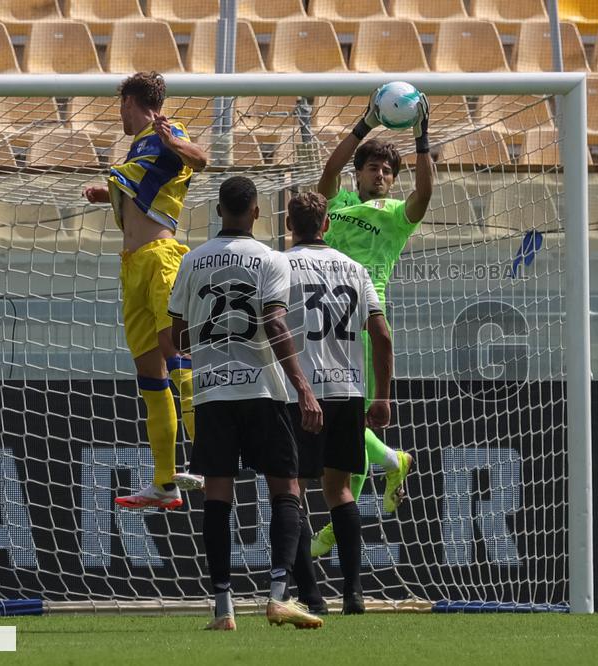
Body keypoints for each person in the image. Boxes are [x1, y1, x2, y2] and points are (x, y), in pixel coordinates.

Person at [167, 176, 324, 631]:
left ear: (219, 210)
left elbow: (173, 335)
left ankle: (223, 609)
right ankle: (278, 596)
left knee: (217, 496)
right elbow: (274, 322)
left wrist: (204, 355)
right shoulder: (272, 259)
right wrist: (303, 388)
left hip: (213, 393)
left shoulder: (191, 260)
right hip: (264, 391)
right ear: (257, 212)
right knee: (286, 489)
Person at [308, 89, 432, 557]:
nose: (380, 175)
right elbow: (327, 172)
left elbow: (425, 194)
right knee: (340, 419)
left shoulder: (397, 216)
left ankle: (337, 526)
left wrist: (420, 138)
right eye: (373, 168)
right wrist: (365, 123)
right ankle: (391, 460)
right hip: (323, 317)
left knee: (342, 417)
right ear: (359, 174)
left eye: (387, 171)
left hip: (363, 317)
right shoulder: (336, 203)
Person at [82, 71, 208, 510]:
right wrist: (109, 196)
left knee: (179, 364)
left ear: (132, 101)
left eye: (121, 105)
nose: (119, 113)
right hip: (132, 266)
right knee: (151, 380)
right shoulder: (140, 148)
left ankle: (210, 463)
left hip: (161, 261)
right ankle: (164, 483)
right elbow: (149, 190)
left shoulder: (166, 130)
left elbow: (201, 159)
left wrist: (174, 141)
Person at [282, 192, 394, 615]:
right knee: (340, 490)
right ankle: (353, 592)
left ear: (291, 225)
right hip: (347, 391)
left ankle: (311, 596)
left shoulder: (281, 265)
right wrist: (381, 396)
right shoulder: (355, 268)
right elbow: (381, 335)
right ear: (327, 224)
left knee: (290, 490)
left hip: (299, 394)